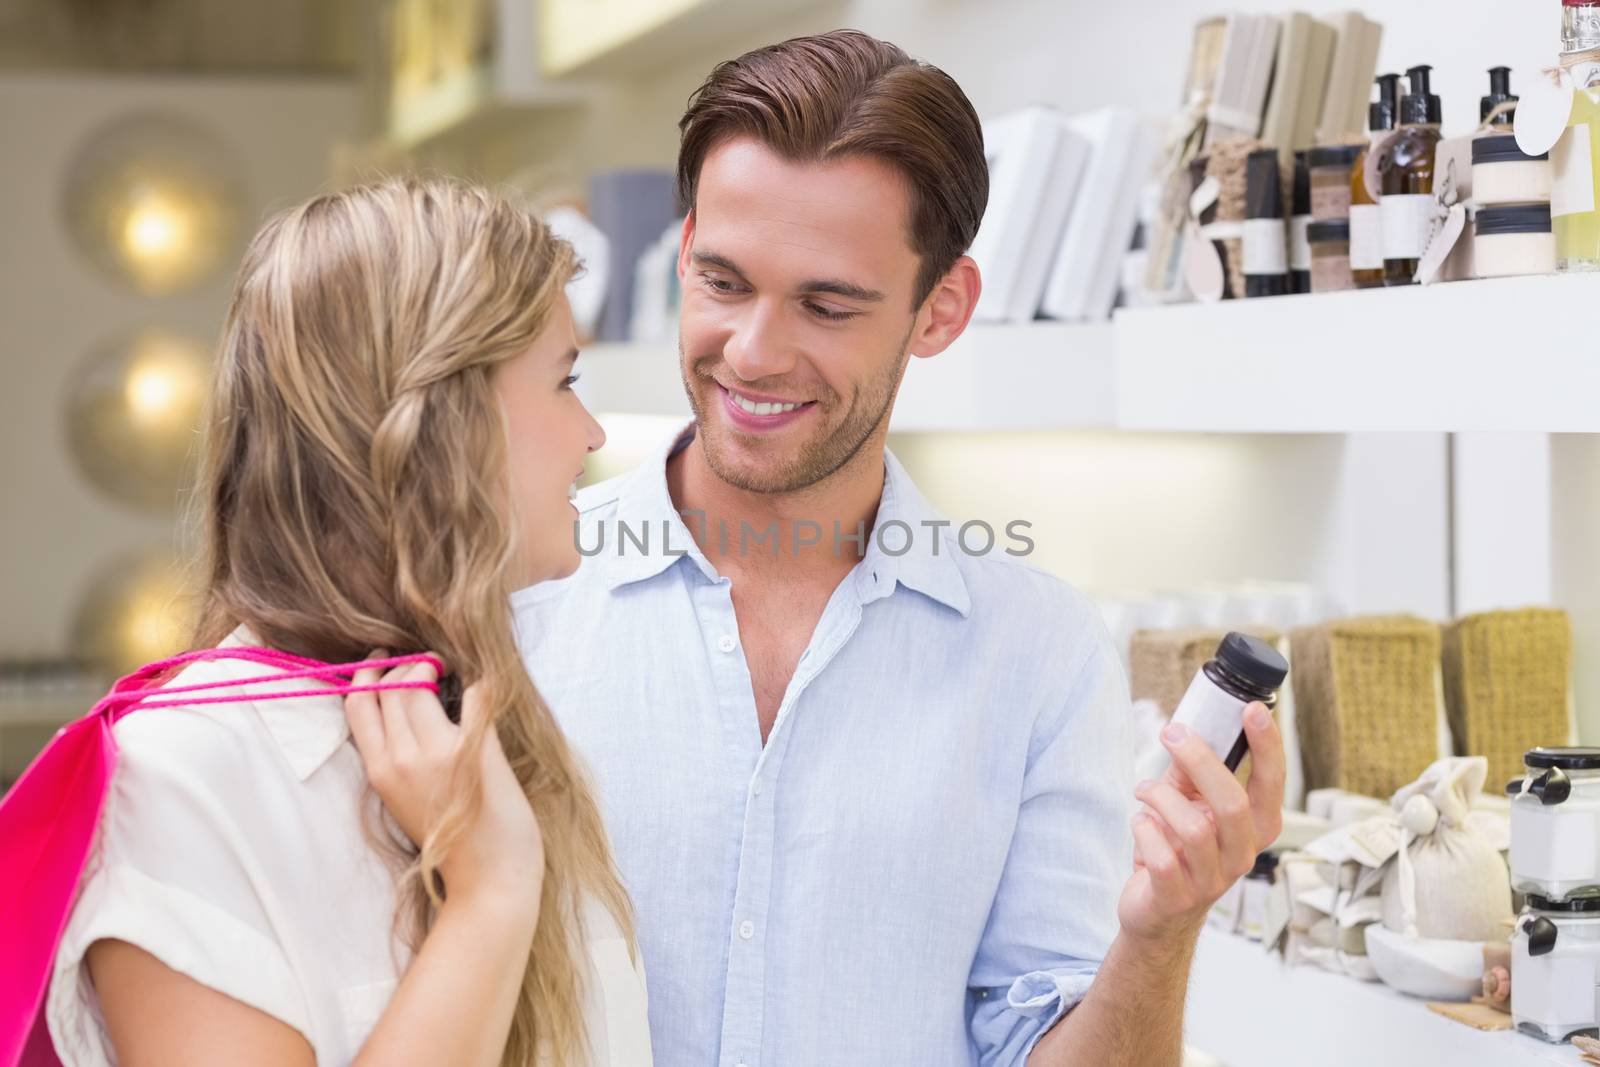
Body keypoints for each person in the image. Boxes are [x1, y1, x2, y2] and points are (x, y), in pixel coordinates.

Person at [514, 29, 1286, 1067]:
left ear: (941, 310)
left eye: (826, 303)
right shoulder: (516, 598)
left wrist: (1159, 931)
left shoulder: (1039, 653)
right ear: (686, 245)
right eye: (725, 281)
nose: (752, 350)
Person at [47, 177, 652, 1067]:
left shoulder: (513, 721)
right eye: (564, 382)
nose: (593, 433)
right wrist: (489, 893)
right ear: (448, 425)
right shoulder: (180, 779)